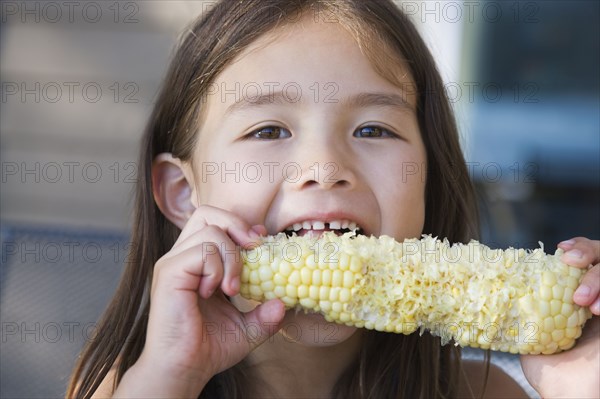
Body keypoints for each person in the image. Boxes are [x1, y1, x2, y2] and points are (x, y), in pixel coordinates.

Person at [67, 1, 600, 398]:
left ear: (427, 178)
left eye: (373, 130)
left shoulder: (484, 393)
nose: (324, 167)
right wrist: (170, 378)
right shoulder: (134, 386)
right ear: (184, 196)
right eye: (269, 130)